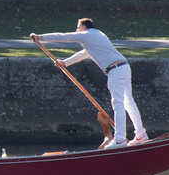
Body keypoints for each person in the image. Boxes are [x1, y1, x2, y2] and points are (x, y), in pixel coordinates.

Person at [32, 18, 148, 147]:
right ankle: (141, 135)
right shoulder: (97, 35)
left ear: (84, 27)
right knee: (128, 102)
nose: (77, 30)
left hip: (115, 70)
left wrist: (40, 37)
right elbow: (84, 54)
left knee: (118, 103)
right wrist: (65, 63)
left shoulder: (87, 35)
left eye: (78, 27)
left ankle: (120, 139)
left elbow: (63, 36)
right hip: (123, 67)